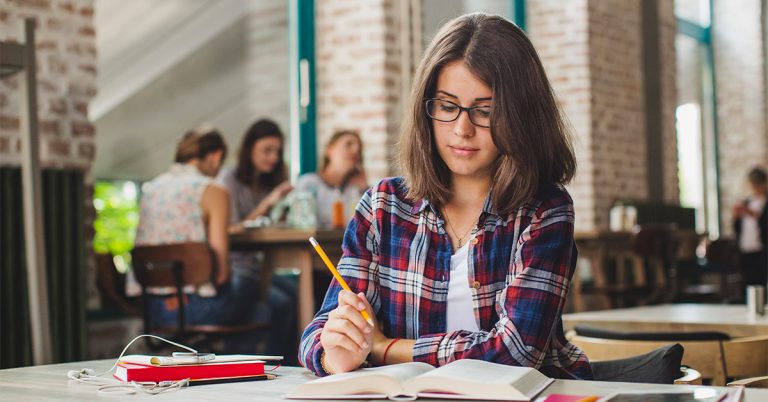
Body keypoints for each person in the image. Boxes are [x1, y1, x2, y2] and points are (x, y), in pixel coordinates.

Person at [298, 13, 592, 380]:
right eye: (447, 106)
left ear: (521, 116)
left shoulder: (545, 210)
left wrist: (384, 347)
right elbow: (318, 333)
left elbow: (515, 352)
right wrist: (335, 354)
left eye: (485, 111)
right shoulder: (382, 206)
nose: (462, 129)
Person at [134, 126, 269, 352]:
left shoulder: (151, 189)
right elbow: (221, 274)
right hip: (198, 308)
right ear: (215, 157)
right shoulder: (213, 190)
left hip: (153, 310)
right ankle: (231, 370)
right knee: (259, 296)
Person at [217, 118, 298, 364]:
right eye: (267, 150)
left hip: (261, 266)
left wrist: (283, 208)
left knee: (296, 294)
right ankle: (270, 364)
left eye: (277, 152)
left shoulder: (267, 181)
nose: (273, 157)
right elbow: (229, 229)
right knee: (281, 302)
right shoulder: (228, 179)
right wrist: (267, 204)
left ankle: (286, 363)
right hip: (235, 266)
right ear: (249, 149)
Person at [295, 130, 368, 228]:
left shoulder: (355, 189)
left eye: (359, 150)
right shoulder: (309, 183)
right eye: (348, 144)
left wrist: (364, 189)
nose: (355, 150)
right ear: (329, 150)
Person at [733, 167, 768, 289]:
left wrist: (755, 215)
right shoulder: (746, 202)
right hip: (746, 248)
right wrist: (736, 217)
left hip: (762, 249)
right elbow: (739, 227)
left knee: (760, 281)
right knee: (747, 282)